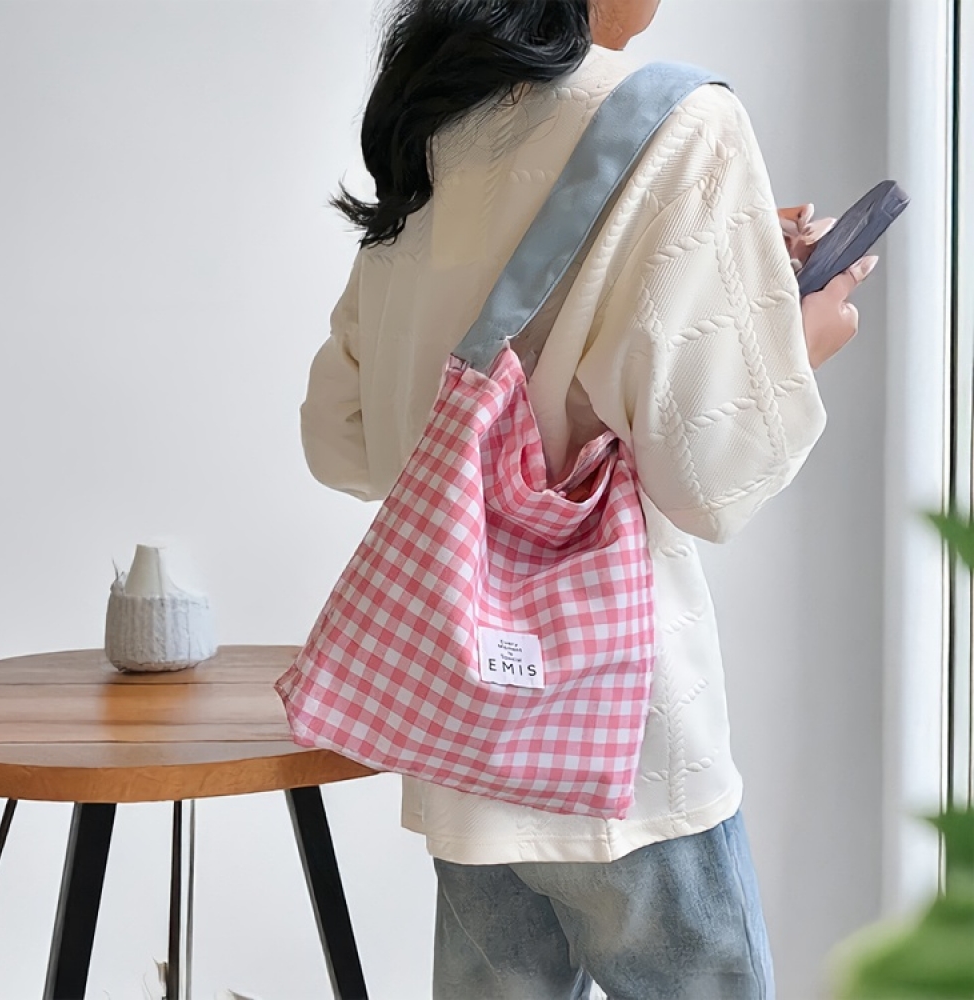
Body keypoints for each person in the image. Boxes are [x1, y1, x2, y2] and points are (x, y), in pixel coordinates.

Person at [300, 1, 875, 997]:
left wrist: (721, 269)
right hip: (628, 750)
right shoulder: (686, 123)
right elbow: (707, 477)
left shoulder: (430, 121)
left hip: (466, 747)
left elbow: (341, 437)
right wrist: (795, 340)